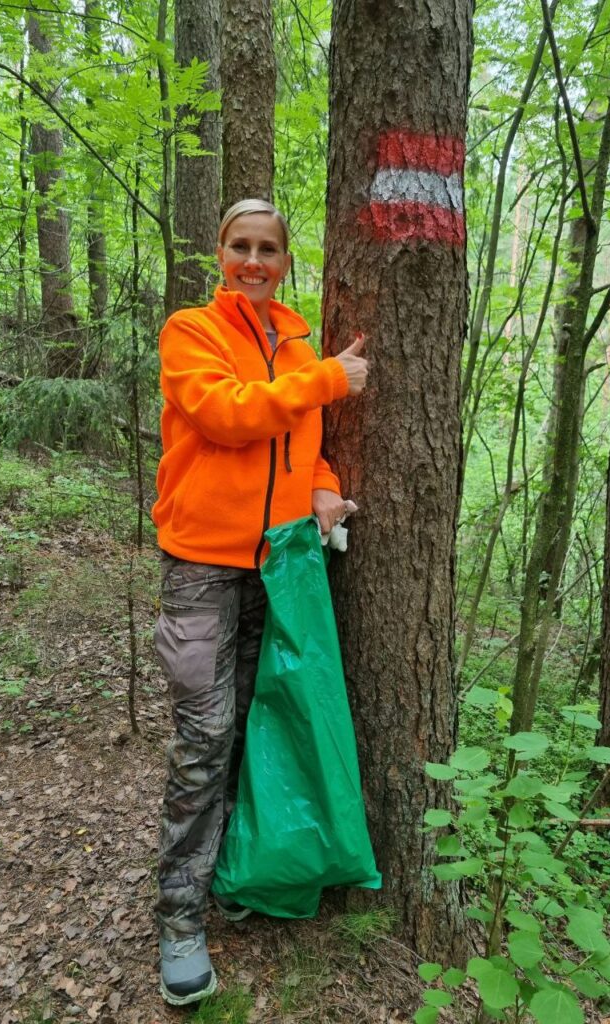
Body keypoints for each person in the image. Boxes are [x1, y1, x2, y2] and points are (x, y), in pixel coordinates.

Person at [151, 199, 368, 1006]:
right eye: (240, 245)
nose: (253, 260)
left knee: (251, 723)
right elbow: (226, 417)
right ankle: (179, 918)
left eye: (267, 248)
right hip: (201, 564)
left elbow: (302, 447)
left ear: (284, 260)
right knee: (204, 736)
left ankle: (234, 871)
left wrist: (323, 491)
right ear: (219, 253)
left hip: (277, 563)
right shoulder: (192, 332)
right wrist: (327, 379)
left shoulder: (301, 340)